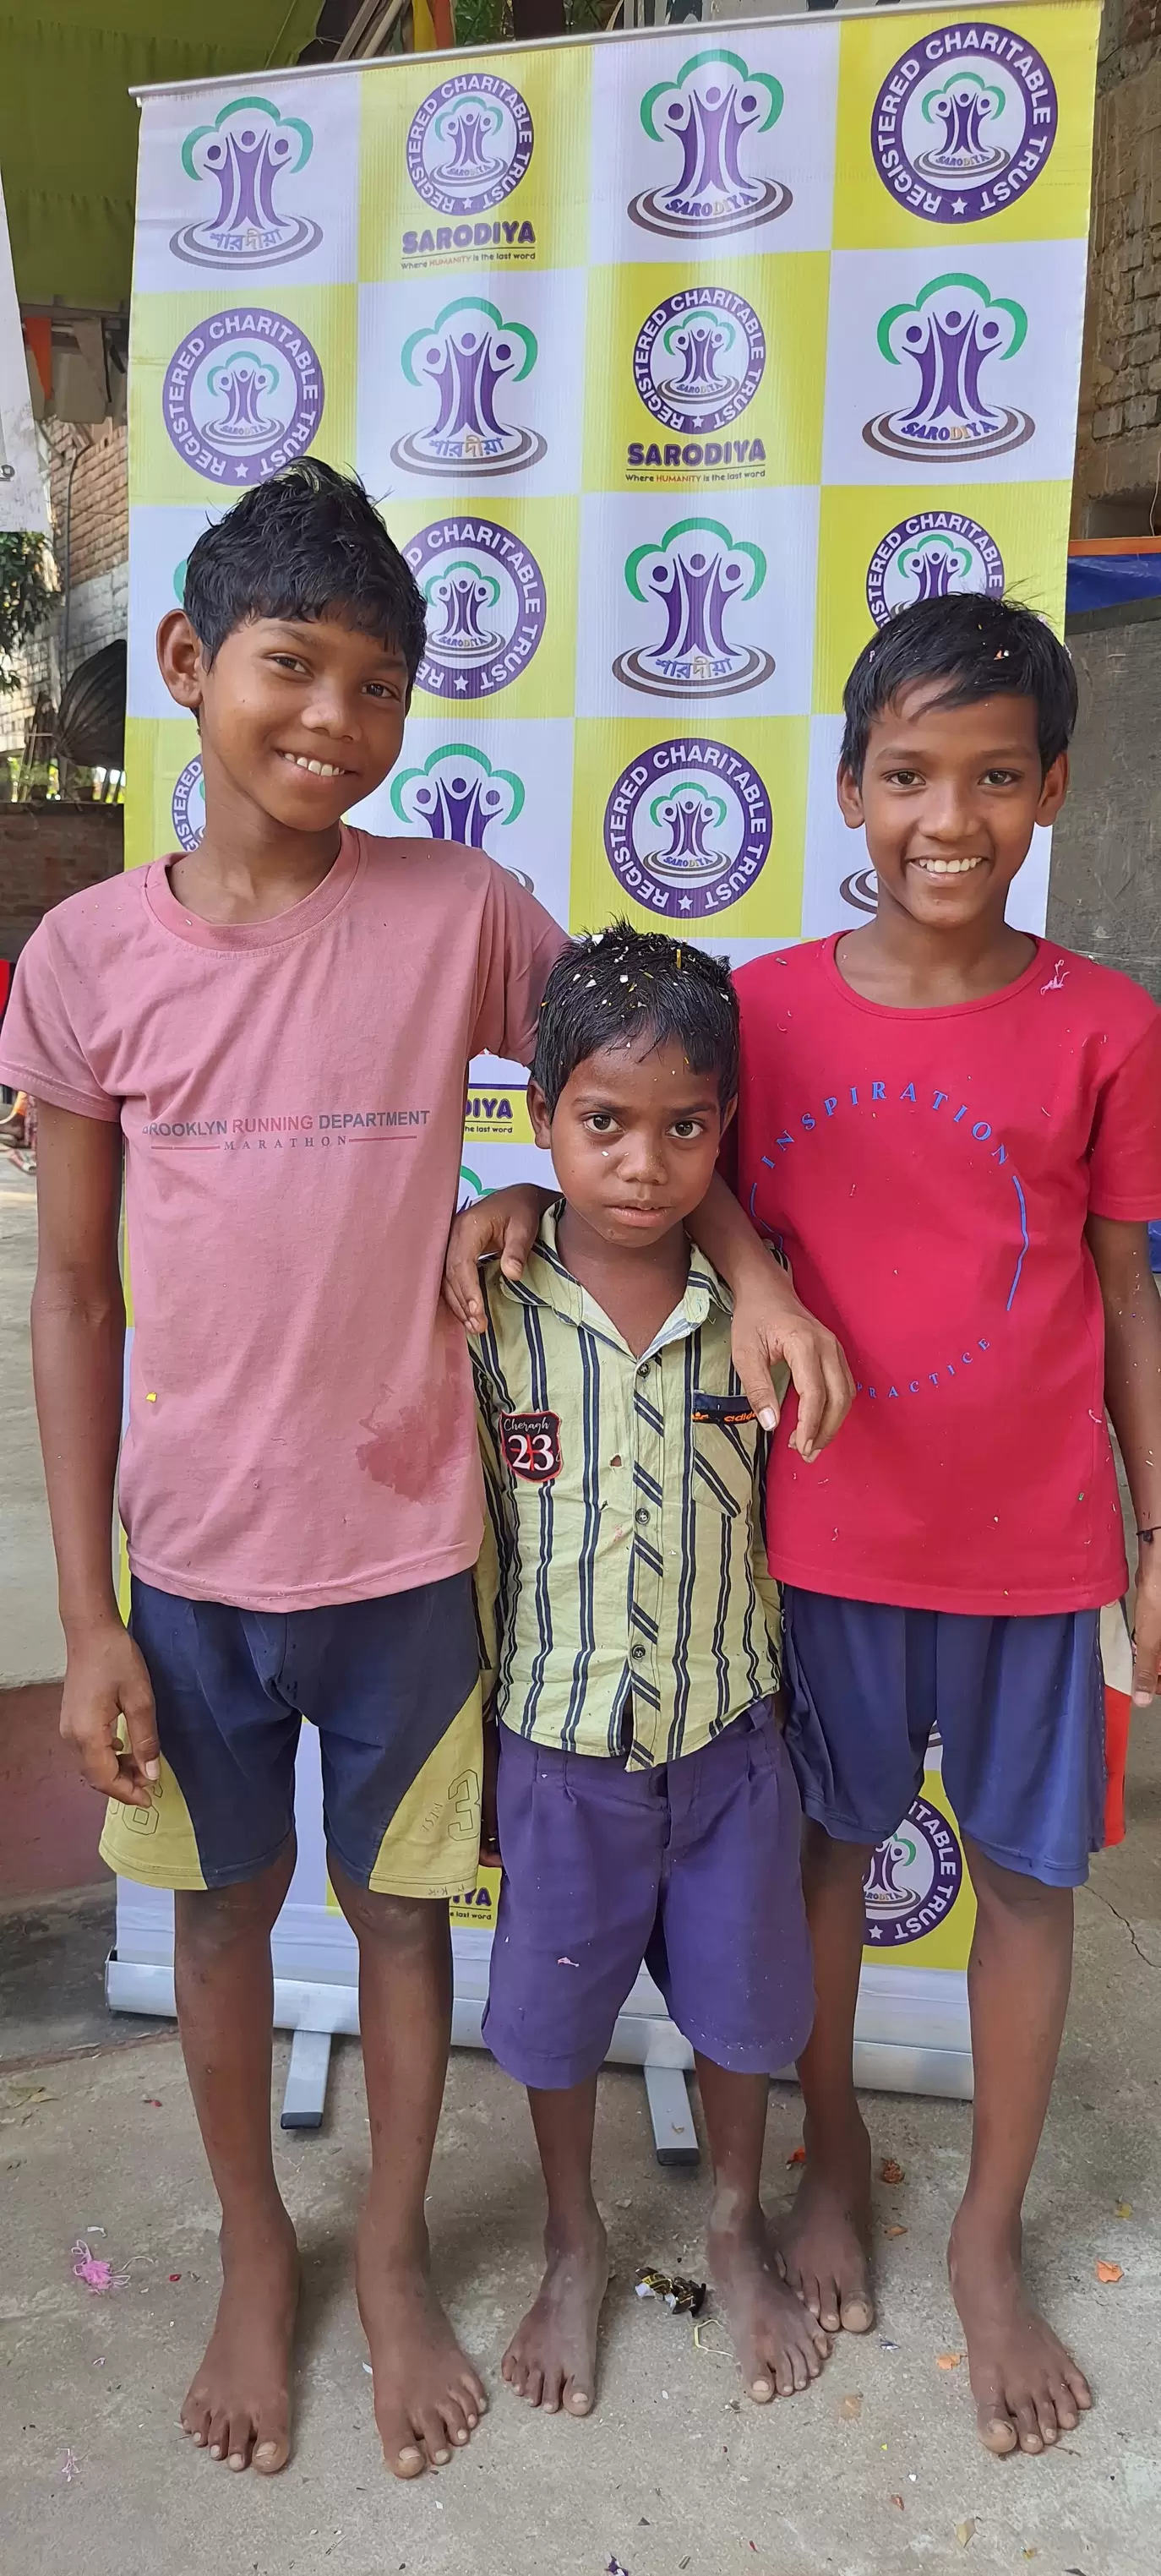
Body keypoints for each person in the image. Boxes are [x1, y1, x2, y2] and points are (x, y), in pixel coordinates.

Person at [0, 460, 849, 2483]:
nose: (337, 722)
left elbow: (633, 1085)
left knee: (399, 1926)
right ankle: (257, 2251)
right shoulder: (89, 958)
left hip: (410, 1556)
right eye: (294, 668)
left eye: (381, 688)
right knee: (222, 1921)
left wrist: (738, 1270)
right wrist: (90, 1618)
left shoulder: (456, 912)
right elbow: (76, 1298)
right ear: (190, 662)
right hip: (192, 1571)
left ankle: (387, 2255)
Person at [725, 596, 1161, 2461]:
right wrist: (753, 1275)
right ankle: (830, 2157)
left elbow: (1126, 1290)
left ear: (1052, 788)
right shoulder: (761, 1009)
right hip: (822, 1544)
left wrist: (1154, 1537)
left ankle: (987, 2232)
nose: (947, 819)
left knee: (1028, 1884)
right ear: (850, 788)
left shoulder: (1109, 1027)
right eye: (908, 775)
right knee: (825, 1860)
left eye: (993, 777)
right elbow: (682, 1192)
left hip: (1036, 1551)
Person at [469, 923, 827, 2421]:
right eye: (603, 1123)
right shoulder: (486, 1303)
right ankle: (572, 2240)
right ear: (539, 1116)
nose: (641, 1163)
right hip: (555, 1752)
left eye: (685, 1127)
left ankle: (735, 2226)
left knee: (744, 2014)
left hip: (730, 1739)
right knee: (553, 2020)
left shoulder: (763, 1305)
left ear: (724, 1128)